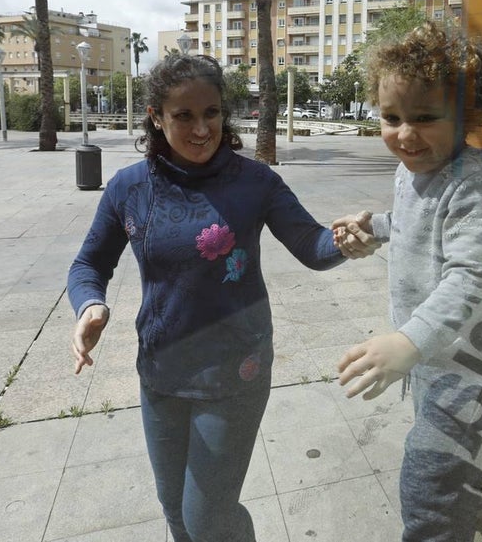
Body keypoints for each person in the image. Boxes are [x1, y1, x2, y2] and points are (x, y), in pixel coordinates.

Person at [67, 53, 373, 542]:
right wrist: (91, 306)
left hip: (235, 371)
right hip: (161, 371)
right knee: (174, 512)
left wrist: (345, 240)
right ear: (156, 117)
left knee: (209, 517)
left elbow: (311, 246)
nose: (202, 128)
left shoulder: (255, 182)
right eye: (183, 116)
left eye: (211, 113)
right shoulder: (129, 187)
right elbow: (89, 264)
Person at [332, 22, 482, 542]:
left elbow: (473, 275)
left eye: (425, 118)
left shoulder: (476, 187)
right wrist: (376, 228)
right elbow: (415, 219)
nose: (405, 135)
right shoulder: (413, 171)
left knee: (427, 482)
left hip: (471, 361)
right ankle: (468, 507)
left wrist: (408, 340)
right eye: (391, 118)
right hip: (434, 355)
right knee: (451, 470)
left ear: (469, 117)